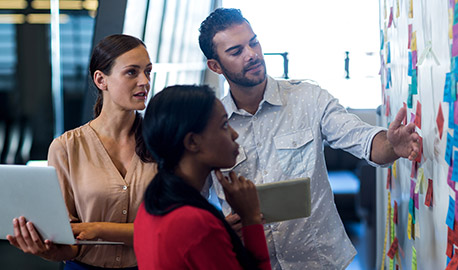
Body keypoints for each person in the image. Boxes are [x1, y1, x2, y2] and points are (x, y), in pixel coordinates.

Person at [198, 8, 420, 270]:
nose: (252, 55)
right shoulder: (210, 124)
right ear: (215, 66)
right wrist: (218, 227)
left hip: (320, 262)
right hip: (248, 262)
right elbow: (192, 201)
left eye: (254, 42)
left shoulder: (308, 98)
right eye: (236, 52)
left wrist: (392, 146)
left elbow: (363, 139)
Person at [6, 34, 157, 269]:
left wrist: (97, 229)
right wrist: (47, 249)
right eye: (132, 72)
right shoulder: (66, 148)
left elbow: (169, 228)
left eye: (147, 71)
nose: (144, 81)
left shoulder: (163, 141)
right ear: (101, 80)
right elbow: (70, 240)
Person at [134, 85, 271, 270]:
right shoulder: (195, 223)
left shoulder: (151, 205)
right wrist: (251, 219)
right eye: (224, 125)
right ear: (192, 142)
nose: (234, 134)